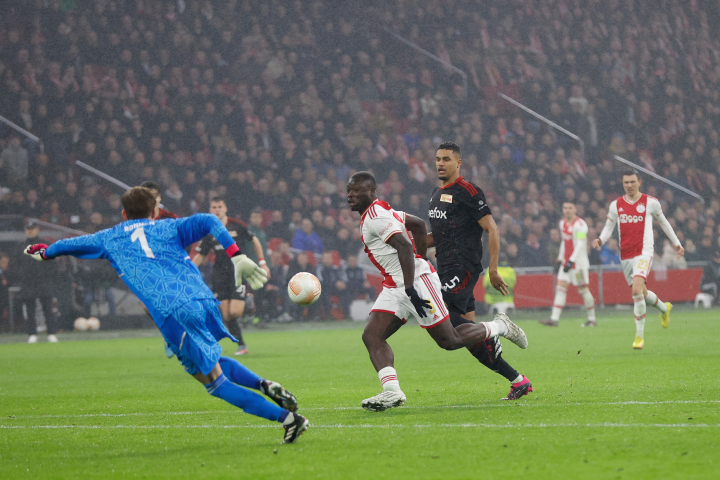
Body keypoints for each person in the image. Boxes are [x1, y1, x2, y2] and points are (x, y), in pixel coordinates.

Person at [24, 187, 308, 443]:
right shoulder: (170, 227)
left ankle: (289, 420)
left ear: (123, 214)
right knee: (209, 362)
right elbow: (210, 221)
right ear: (154, 211)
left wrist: (46, 252)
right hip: (203, 300)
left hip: (173, 313)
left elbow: (72, 243)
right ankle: (263, 384)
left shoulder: (110, 238)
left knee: (215, 383)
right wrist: (236, 254)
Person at [347, 171, 528, 412]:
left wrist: (412, 283)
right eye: (349, 191)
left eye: (356, 191)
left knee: (449, 341)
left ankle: (500, 326)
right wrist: (419, 259)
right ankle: (392, 391)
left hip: (415, 282)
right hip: (395, 285)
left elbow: (403, 244)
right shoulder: (379, 210)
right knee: (372, 335)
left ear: (371, 192)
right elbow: (418, 225)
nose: (350, 195)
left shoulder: (376, 216)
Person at [424, 142, 532, 401]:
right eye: (438, 159)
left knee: (431, 308)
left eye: (446, 159)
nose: (441, 163)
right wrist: (404, 244)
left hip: (463, 268)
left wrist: (493, 269)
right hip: (444, 269)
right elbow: (437, 236)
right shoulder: (436, 195)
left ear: (458, 163)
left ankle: (498, 326)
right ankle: (518, 381)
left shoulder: (468, 191)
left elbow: (492, 228)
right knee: (468, 339)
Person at [592, 169, 684, 349]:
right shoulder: (616, 205)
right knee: (642, 293)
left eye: (632, 182)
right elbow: (609, 227)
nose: (629, 185)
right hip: (625, 255)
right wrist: (600, 240)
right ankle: (664, 308)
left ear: (639, 182)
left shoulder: (651, 202)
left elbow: (664, 222)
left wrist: (676, 243)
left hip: (644, 252)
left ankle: (639, 336)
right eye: (626, 182)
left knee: (636, 291)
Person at [193, 197, 271, 355]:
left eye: (219, 206)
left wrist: (262, 262)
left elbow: (254, 240)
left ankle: (248, 301)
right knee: (226, 315)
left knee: (235, 312)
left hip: (237, 272)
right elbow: (200, 255)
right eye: (214, 207)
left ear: (225, 208)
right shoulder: (209, 231)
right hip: (219, 275)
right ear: (210, 210)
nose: (217, 210)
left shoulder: (237, 225)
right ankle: (242, 345)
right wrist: (187, 271)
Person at [540, 201, 597, 327]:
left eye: (570, 208)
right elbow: (564, 242)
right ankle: (554, 319)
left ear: (575, 209)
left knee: (583, 290)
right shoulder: (562, 223)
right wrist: (561, 258)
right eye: (565, 208)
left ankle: (592, 319)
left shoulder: (580, 225)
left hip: (578, 264)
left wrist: (572, 260)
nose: (567, 210)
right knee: (560, 289)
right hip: (566, 263)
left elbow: (581, 244)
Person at [15, 220, 59, 343]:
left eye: (32, 229)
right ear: (25, 230)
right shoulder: (20, 246)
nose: (30, 231)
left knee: (48, 309)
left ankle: (51, 333)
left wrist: (48, 276)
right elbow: (16, 264)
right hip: (27, 282)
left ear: (37, 230)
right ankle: (32, 333)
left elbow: (53, 263)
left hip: (44, 281)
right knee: (30, 310)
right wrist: (22, 276)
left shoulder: (45, 244)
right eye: (28, 229)